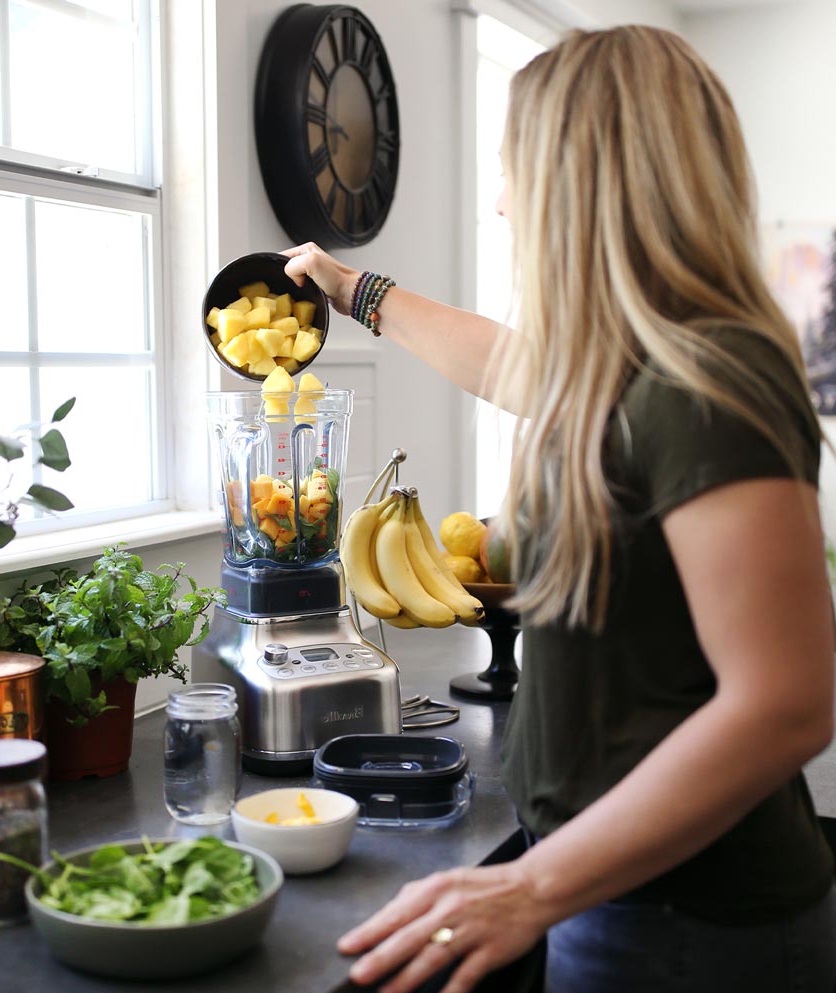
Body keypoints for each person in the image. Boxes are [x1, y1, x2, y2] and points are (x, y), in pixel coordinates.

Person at [282, 24, 836, 993]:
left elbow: (786, 706)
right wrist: (349, 289)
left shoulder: (705, 381)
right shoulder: (632, 368)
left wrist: (531, 887)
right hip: (619, 892)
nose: (501, 203)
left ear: (584, 179)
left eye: (511, 171)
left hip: (689, 926)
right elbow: (505, 364)